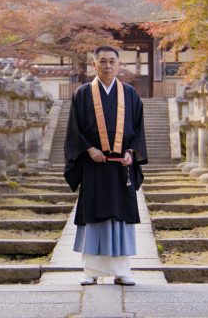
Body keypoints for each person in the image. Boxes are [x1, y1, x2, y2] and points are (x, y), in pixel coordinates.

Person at [63, 45, 148, 286]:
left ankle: (122, 270)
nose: (108, 65)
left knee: (121, 216)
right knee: (94, 215)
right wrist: (89, 149)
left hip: (121, 167)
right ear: (94, 64)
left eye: (112, 61)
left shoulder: (130, 94)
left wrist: (132, 153)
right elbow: (74, 130)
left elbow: (138, 130)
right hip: (93, 166)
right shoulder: (82, 93)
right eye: (103, 61)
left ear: (119, 64)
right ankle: (91, 271)